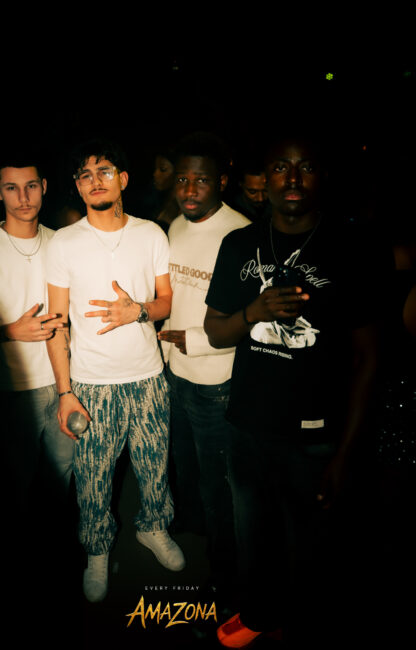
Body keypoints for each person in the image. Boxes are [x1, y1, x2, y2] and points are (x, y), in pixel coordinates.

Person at [204, 135, 380, 647]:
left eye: (306, 167)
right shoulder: (239, 244)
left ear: (323, 177)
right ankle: (260, 615)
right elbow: (216, 332)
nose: (294, 178)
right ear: (265, 180)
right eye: (281, 167)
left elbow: (370, 357)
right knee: (253, 538)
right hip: (247, 426)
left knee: (312, 547)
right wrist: (254, 311)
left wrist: (345, 453)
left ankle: (305, 627)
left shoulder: (354, 248)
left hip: (316, 438)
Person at [45, 138, 185, 604]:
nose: (95, 181)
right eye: (85, 175)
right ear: (77, 187)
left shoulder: (151, 234)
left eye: (104, 171)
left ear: (122, 179)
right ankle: (97, 550)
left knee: (154, 466)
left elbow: (166, 301)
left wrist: (137, 311)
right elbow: (56, 324)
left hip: (148, 378)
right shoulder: (64, 243)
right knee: (92, 477)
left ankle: (153, 528)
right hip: (91, 384)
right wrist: (65, 391)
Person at [0, 156, 74, 538]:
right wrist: (9, 331)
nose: (23, 197)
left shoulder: (62, 243)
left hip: (66, 383)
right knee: (14, 484)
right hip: (11, 392)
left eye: (31, 186)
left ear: (44, 187)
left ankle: (55, 546)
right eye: (11, 188)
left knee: (62, 477)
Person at [158, 132, 249, 603]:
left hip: (218, 381)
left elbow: (252, 322)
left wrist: (190, 340)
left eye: (201, 180)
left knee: (220, 485)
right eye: (182, 179)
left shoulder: (242, 235)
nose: (189, 190)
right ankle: (194, 531)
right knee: (185, 465)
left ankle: (226, 573)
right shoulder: (175, 226)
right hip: (176, 374)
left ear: (223, 182)